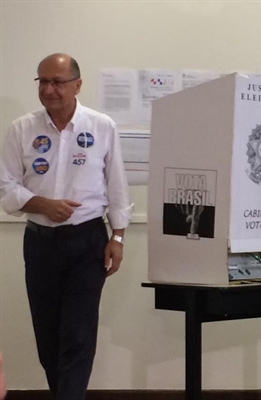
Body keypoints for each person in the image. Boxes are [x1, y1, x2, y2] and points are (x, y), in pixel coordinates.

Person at [0, 53, 131, 400]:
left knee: (77, 335)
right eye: (42, 81)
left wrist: (117, 236)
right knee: (48, 338)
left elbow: (117, 186)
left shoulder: (102, 127)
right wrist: (43, 204)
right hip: (40, 244)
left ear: (77, 84)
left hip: (87, 242)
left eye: (57, 82)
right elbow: (5, 186)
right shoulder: (21, 129)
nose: (49, 89)